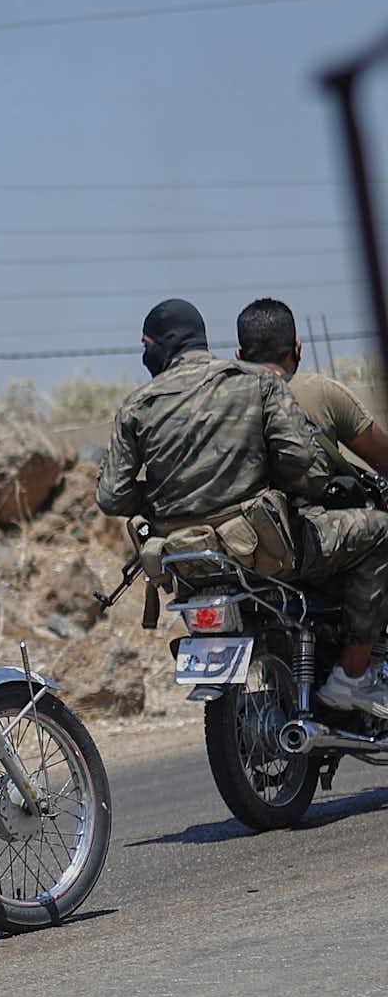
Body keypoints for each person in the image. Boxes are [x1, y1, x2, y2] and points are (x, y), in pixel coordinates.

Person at [96, 297, 388, 719]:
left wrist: (163, 499)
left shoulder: (137, 405)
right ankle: (352, 676)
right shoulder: (254, 383)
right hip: (265, 547)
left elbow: (111, 496)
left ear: (162, 344)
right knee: (380, 530)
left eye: (145, 344)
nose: (144, 354)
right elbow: (301, 466)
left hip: (187, 558)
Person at [234, 296, 388, 478]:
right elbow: (382, 458)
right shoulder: (322, 392)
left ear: (239, 356)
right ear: (297, 348)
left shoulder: (225, 404)